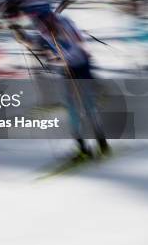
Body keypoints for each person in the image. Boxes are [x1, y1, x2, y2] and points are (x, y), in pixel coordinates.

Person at [10, 10, 109, 158]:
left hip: (81, 66)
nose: (44, 30)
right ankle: (82, 147)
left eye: (45, 26)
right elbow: (37, 42)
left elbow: (78, 45)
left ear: (52, 19)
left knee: (88, 104)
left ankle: (102, 142)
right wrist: (23, 37)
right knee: (72, 108)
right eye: (41, 27)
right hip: (66, 71)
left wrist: (60, 58)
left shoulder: (65, 23)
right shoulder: (44, 29)